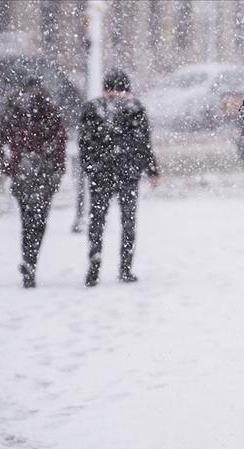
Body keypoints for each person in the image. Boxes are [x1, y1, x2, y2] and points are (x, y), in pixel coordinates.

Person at [79, 69, 160, 287]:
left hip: (101, 173)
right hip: (127, 173)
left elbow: (84, 143)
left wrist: (90, 168)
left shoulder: (92, 108)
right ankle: (125, 267)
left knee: (97, 219)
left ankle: (94, 259)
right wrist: (151, 170)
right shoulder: (134, 108)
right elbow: (143, 143)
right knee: (128, 221)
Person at [0, 77, 66, 288]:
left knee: (27, 220)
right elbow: (60, 142)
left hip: (23, 171)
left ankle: (28, 260)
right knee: (39, 221)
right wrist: (58, 168)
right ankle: (32, 260)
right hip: (45, 172)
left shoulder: (13, 111)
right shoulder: (49, 111)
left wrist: (8, 166)